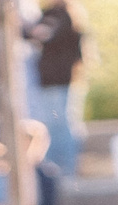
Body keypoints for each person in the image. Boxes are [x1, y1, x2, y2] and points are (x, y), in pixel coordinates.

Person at [24, 0, 87, 176]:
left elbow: (43, 33)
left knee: (60, 124)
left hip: (59, 80)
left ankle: (66, 169)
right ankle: (54, 169)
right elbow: (28, 34)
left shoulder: (63, 16)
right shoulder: (51, 14)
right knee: (51, 123)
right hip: (50, 80)